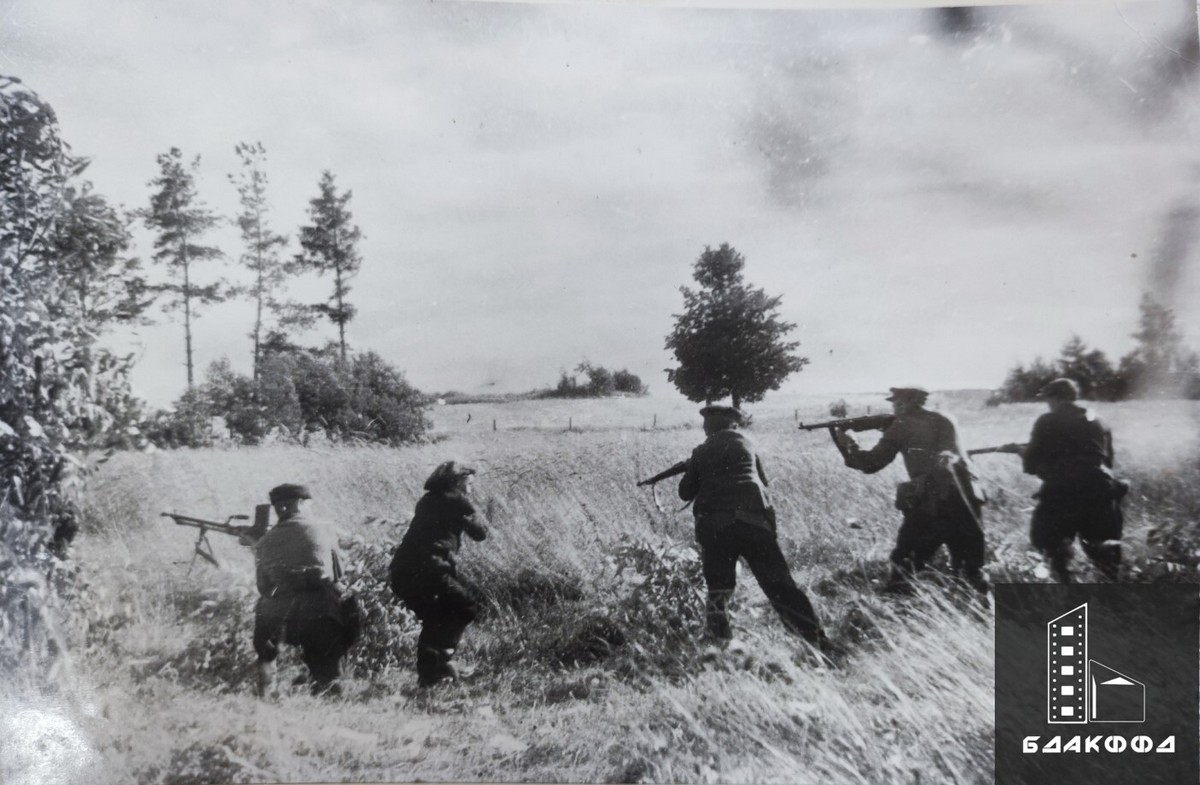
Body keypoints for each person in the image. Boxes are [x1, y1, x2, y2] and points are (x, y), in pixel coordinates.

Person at [678, 405, 834, 655]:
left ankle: (720, 647)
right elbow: (763, 480)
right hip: (754, 524)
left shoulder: (701, 451)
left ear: (707, 427)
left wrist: (695, 469)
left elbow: (685, 492)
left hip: (717, 528)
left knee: (719, 589)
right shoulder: (750, 445)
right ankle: (815, 640)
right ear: (734, 425)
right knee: (781, 586)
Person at [832, 386, 989, 598]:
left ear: (906, 404)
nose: (894, 408)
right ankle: (980, 613)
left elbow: (870, 464)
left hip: (933, 502)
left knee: (904, 565)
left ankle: (894, 612)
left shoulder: (902, 424)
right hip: (968, 497)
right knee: (969, 570)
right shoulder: (946, 418)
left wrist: (847, 444)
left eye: (896, 403)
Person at [253, 483, 358, 698]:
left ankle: (266, 691)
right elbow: (338, 574)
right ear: (300, 504)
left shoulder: (263, 542)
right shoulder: (325, 529)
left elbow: (263, 586)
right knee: (340, 607)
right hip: (318, 616)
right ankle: (326, 687)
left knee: (266, 625)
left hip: (276, 620)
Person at [389, 461, 488, 687]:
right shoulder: (456, 500)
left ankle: (431, 674)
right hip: (430, 568)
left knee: (436, 617)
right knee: (465, 606)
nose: (471, 489)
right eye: (468, 484)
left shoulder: (429, 500)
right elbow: (481, 533)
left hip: (406, 570)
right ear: (457, 481)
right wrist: (472, 509)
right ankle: (441, 663)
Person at [1020, 378, 1126, 583]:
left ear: (1056, 397)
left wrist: (1022, 452)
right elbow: (1108, 462)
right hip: (1100, 491)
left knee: (1051, 549)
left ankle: (1066, 592)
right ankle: (1116, 602)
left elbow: (1031, 465)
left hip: (1061, 495)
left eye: (1048, 399)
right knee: (1107, 558)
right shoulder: (1099, 420)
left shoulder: (1047, 420)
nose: (1047, 404)